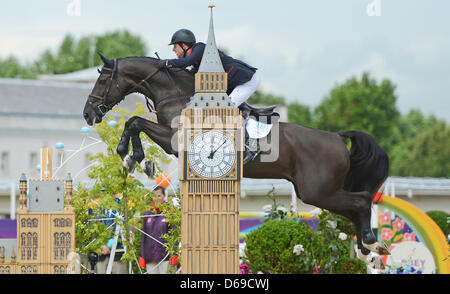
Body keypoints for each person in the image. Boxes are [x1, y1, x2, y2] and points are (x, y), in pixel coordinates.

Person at [158, 29, 261, 163]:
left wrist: (166, 63)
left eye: (175, 46)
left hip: (247, 81)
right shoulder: (197, 62)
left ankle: (251, 147)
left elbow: (186, 62)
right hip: (235, 82)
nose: (173, 50)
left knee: (227, 111)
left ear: (184, 45)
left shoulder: (200, 49)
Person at [138, 186, 171, 274]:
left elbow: (174, 235)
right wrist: (142, 256)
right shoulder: (147, 213)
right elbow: (143, 236)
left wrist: (175, 254)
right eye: (154, 196)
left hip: (165, 257)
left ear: (164, 196)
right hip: (150, 258)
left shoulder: (170, 212)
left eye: (159, 196)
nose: (156, 198)